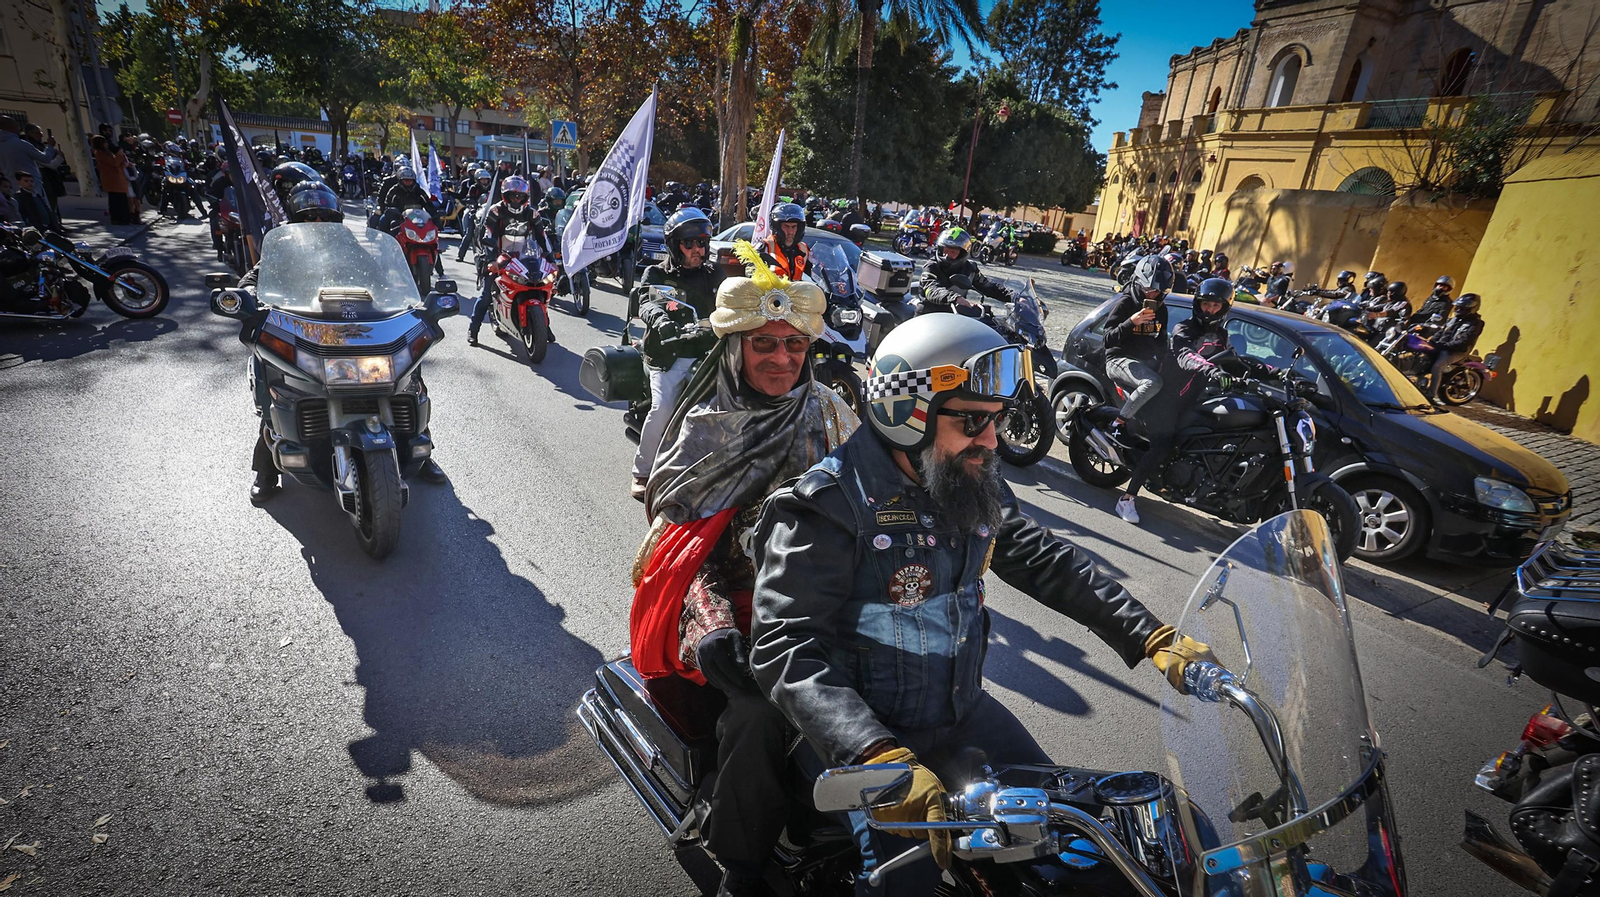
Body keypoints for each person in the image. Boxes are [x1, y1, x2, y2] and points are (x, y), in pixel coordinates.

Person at [748, 313, 1212, 896]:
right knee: (905, 883)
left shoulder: (967, 475)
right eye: (972, 421)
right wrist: (873, 751)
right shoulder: (828, 506)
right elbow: (786, 644)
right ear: (905, 411)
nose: (991, 442)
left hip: (961, 711)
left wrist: (1150, 635)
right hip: (866, 735)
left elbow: (1045, 559)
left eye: (997, 422)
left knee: (1078, 844)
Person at [631, 249, 858, 897]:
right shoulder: (705, 430)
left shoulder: (833, 415)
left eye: (793, 344)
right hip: (733, 611)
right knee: (758, 714)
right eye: (764, 343)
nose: (782, 357)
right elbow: (680, 550)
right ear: (735, 347)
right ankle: (743, 863)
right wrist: (713, 629)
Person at [240, 182, 447, 503]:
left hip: (351, 327)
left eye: (324, 216)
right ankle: (266, 470)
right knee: (274, 385)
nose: (318, 223)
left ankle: (422, 452)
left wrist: (396, 288)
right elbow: (257, 276)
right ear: (298, 218)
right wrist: (249, 291)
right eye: (310, 217)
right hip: (304, 329)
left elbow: (378, 272)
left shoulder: (349, 244)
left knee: (408, 379)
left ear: (335, 219)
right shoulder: (286, 245)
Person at [628, 207, 725, 499]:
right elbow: (646, 301)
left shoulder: (713, 273)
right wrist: (661, 321)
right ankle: (641, 472)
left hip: (708, 352)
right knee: (664, 407)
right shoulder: (657, 272)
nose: (698, 248)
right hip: (668, 355)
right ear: (674, 244)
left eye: (702, 242)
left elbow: (730, 301)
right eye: (690, 243)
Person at [1103, 253, 1175, 479]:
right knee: (1153, 383)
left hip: (1142, 363)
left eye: (1156, 291)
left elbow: (1161, 342)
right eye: (1147, 289)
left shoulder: (1161, 309)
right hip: (1117, 360)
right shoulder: (1125, 303)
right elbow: (1108, 338)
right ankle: (1117, 423)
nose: (1151, 294)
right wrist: (1131, 322)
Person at [467, 175, 547, 346]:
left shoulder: (531, 212)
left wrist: (550, 256)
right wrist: (491, 260)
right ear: (505, 195)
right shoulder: (496, 211)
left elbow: (542, 236)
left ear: (525, 197)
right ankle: (473, 330)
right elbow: (488, 235)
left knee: (540, 287)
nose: (516, 199)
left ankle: (543, 325)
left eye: (520, 196)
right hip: (499, 255)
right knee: (487, 295)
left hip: (525, 256)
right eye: (513, 196)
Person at [917, 227, 1013, 315]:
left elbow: (988, 287)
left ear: (963, 253)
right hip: (928, 316)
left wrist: (1015, 297)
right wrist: (955, 298)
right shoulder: (931, 266)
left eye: (953, 252)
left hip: (955, 315)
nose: (947, 255)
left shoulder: (970, 268)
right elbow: (930, 289)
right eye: (945, 250)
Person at [1421, 292, 1485, 404]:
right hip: (1443, 346)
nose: (1459, 309)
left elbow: (1464, 341)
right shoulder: (1453, 319)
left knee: (1437, 367)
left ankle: (1431, 396)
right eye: (1459, 306)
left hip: (1457, 351)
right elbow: (1441, 332)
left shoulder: (1476, 324)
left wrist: (1443, 346)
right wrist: (1430, 342)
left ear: (1473, 308)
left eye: (1463, 307)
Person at [753, 202, 810, 279]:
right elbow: (751, 270)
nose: (790, 232)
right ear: (777, 227)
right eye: (786, 226)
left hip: (796, 290)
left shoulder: (803, 249)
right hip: (770, 290)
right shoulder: (764, 246)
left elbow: (814, 274)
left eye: (794, 227)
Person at [91, 135, 133, 225]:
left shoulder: (107, 152)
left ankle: (125, 219)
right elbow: (114, 162)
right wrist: (119, 154)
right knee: (116, 201)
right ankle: (118, 219)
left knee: (122, 200)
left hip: (118, 178)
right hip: (111, 180)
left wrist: (125, 164)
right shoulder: (99, 153)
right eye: (104, 142)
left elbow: (117, 163)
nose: (106, 144)